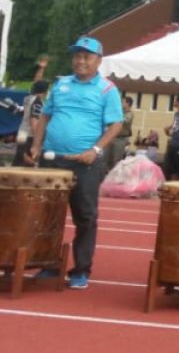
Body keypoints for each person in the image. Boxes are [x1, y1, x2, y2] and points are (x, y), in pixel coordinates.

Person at [27, 37, 124, 289]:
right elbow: (46, 116)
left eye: (86, 56)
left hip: (85, 163)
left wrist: (96, 149)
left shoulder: (107, 89)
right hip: (52, 159)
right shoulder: (60, 85)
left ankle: (80, 269)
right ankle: (48, 264)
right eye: (77, 56)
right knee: (49, 215)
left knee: (85, 217)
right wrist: (36, 145)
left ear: (98, 60)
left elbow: (116, 124)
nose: (80, 61)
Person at [12, 79, 48, 167]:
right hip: (30, 137)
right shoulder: (37, 103)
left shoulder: (28, 98)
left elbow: (36, 81)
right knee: (26, 165)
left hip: (22, 134)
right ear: (46, 91)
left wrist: (41, 68)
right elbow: (34, 121)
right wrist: (38, 141)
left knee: (18, 163)